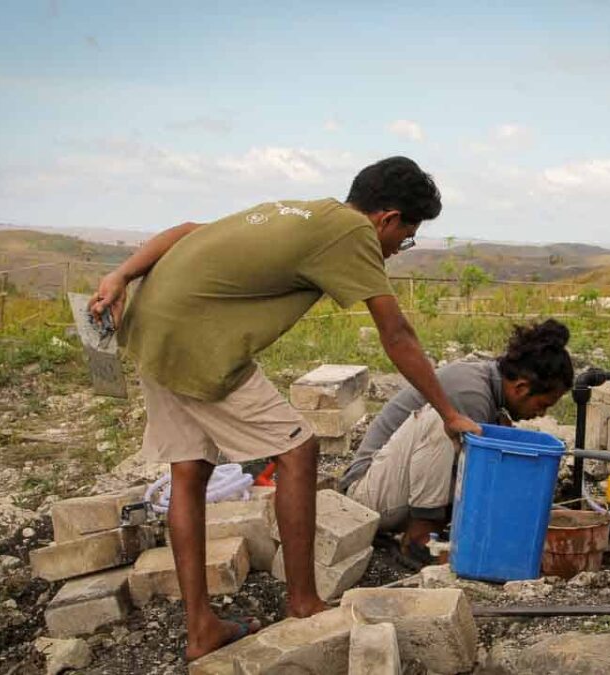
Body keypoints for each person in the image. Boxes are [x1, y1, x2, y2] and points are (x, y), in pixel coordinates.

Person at [88, 156, 480, 661]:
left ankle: (201, 629)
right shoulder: (353, 235)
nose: (396, 250)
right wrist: (448, 412)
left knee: (189, 471)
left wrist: (120, 275)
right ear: (385, 219)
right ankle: (303, 602)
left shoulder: (301, 211)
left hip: (148, 322)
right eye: (404, 238)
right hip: (195, 342)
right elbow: (396, 333)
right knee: (298, 448)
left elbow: (186, 230)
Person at [340, 319, 573, 557]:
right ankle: (420, 537)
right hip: (367, 499)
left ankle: (426, 529)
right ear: (521, 388)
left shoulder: (489, 385)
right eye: (543, 405)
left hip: (393, 494)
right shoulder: (471, 394)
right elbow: (473, 478)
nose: (541, 414)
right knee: (445, 420)